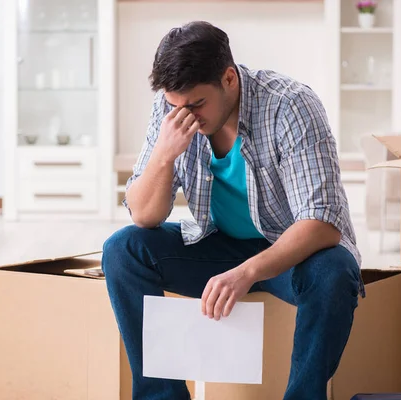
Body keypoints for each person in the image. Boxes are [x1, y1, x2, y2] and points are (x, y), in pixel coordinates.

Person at [101, 20, 363, 400]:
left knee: (335, 270)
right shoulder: (172, 108)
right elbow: (145, 216)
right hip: (218, 245)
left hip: (290, 253)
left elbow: (322, 222)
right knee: (122, 250)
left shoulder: (290, 105)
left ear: (228, 78)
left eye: (196, 104)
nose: (186, 115)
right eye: (175, 106)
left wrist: (245, 273)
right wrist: (164, 153)